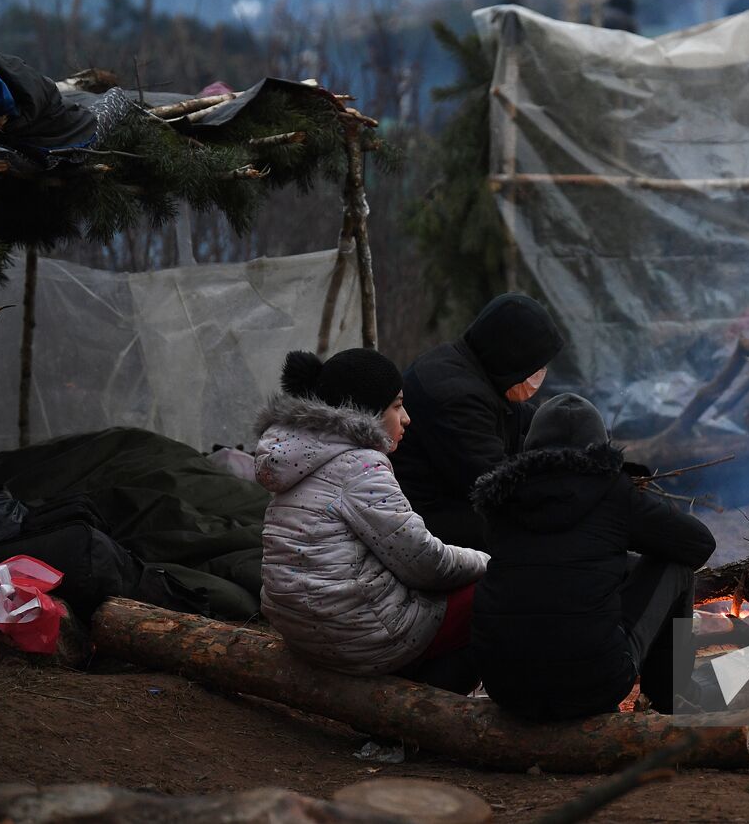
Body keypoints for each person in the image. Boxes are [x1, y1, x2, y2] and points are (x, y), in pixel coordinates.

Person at [468, 393, 716, 721]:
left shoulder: (500, 499)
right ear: (601, 446)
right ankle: (669, 700)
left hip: (505, 684)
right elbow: (698, 544)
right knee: (676, 567)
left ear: (529, 444)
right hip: (594, 683)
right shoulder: (612, 491)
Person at [254, 348, 488, 692]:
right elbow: (424, 563)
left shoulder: (297, 457)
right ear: (367, 412)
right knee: (495, 594)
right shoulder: (362, 468)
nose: (406, 417)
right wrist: (487, 561)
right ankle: (416, 725)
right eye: (396, 405)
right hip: (357, 634)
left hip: (300, 630)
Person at [392, 293, 565, 551]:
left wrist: (577, 428)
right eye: (535, 365)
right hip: (427, 523)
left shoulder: (472, 368)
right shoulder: (455, 395)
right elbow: (498, 483)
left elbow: (526, 421)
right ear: (512, 355)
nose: (539, 374)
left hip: (451, 504)